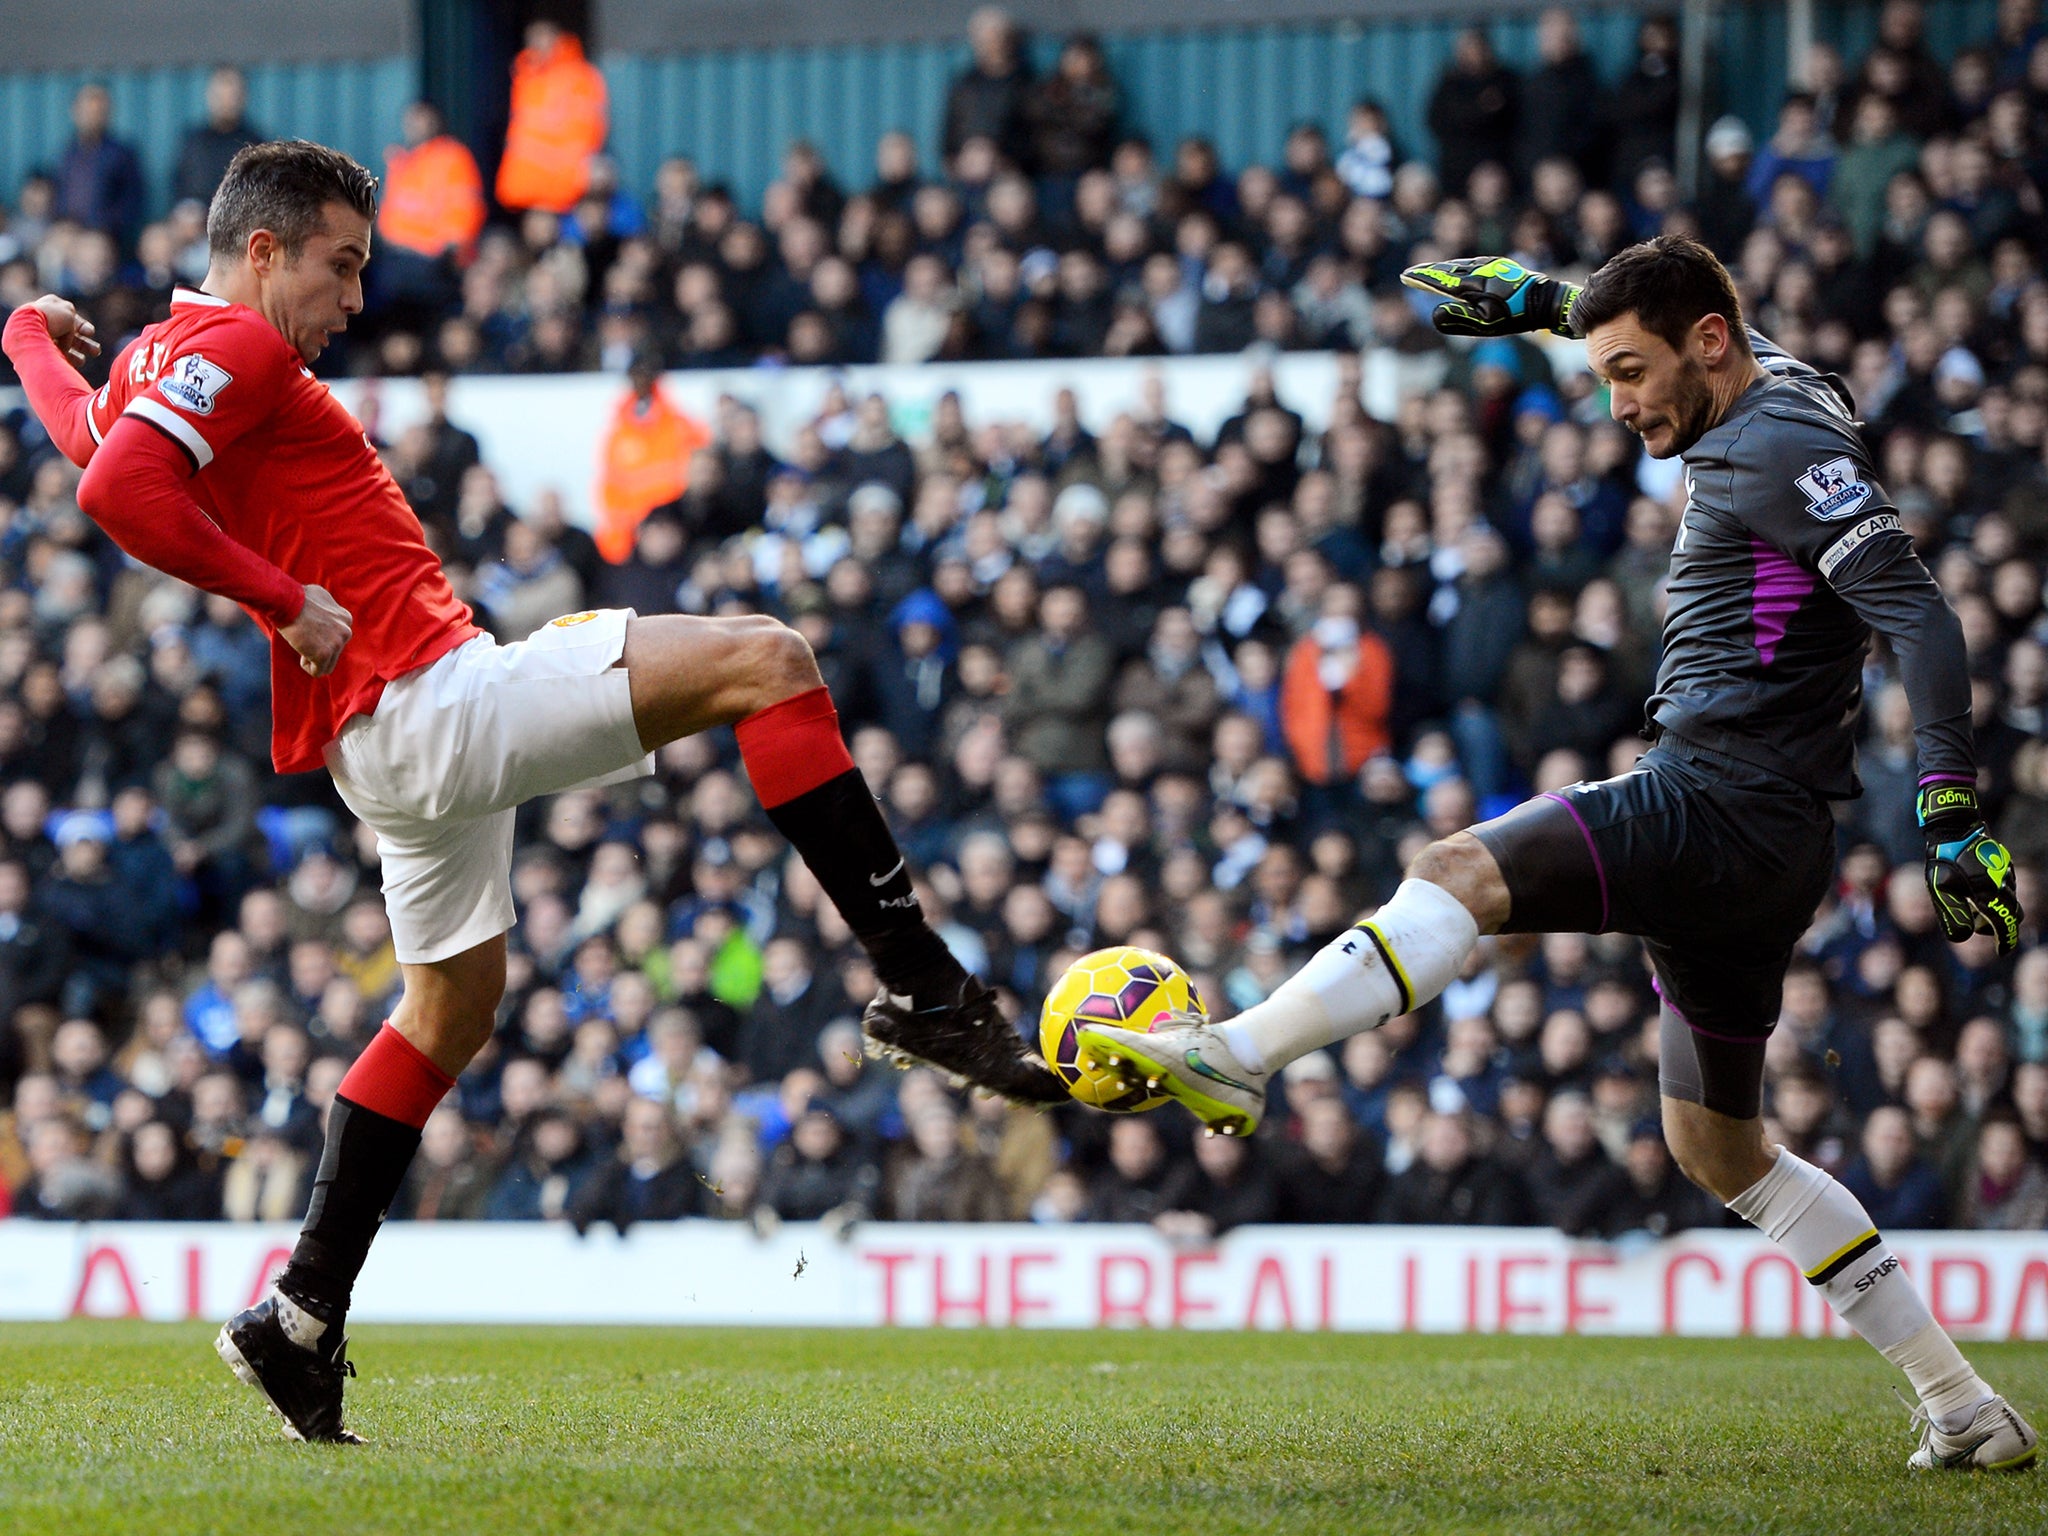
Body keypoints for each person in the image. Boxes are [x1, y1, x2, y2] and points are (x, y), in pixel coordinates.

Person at [1, 140, 1059, 1445]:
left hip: (384, 745)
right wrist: (285, 597)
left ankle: (299, 1319)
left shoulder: (172, 356)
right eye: (339, 267)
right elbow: (117, 490)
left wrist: (25, 336)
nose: (351, 302)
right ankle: (929, 989)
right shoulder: (248, 350)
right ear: (261, 250)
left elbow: (82, 435)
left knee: (451, 1009)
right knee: (769, 661)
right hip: (433, 699)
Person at [1083, 237, 2037, 1472]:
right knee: (1719, 1151)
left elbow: (1917, 612)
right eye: (1599, 375)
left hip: (1712, 799)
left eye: (1628, 373)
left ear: (1706, 343)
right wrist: (1542, 302)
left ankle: (1239, 1053)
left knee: (1455, 873)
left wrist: (1950, 806)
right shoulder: (1784, 392)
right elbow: (1672, 331)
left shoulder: (1778, 450)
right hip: (1769, 837)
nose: (1615, 403)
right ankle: (1961, 1402)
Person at [174, 67, 265, 207]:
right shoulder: (194, 141)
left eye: (231, 96)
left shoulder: (257, 144)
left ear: (243, 97)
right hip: (196, 220)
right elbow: (179, 185)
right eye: (220, 96)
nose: (226, 102)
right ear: (210, 96)